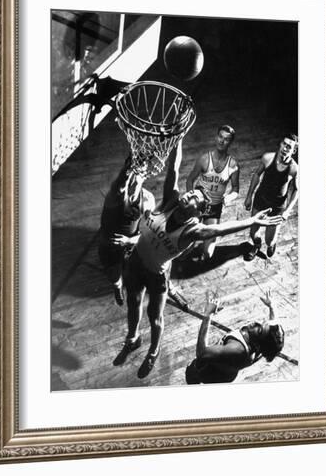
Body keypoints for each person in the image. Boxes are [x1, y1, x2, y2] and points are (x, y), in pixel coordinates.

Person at [113, 139, 283, 379]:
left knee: (155, 316)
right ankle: (133, 339)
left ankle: (153, 350)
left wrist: (253, 221)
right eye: (191, 191)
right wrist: (179, 139)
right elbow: (173, 168)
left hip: (156, 274)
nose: (189, 194)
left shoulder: (193, 231)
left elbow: (221, 230)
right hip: (136, 262)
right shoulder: (171, 200)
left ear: (199, 211)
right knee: (133, 303)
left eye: (194, 197)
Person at [185, 290, 284, 384]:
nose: (259, 323)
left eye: (260, 329)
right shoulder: (267, 346)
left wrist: (208, 314)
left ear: (260, 340)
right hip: (228, 372)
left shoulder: (237, 349)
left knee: (192, 374)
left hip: (210, 371)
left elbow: (201, 353)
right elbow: (273, 326)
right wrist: (272, 306)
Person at [98, 156, 155, 306]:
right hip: (108, 246)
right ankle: (117, 288)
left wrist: (129, 241)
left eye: (140, 173)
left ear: (145, 175)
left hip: (131, 245)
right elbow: (119, 184)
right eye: (132, 172)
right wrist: (127, 169)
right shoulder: (114, 196)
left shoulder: (148, 199)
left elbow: (151, 233)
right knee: (115, 278)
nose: (135, 177)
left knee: (137, 271)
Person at [186, 124, 239, 260]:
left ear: (230, 142)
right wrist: (192, 199)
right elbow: (190, 179)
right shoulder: (204, 159)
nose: (222, 141)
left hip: (215, 208)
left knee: (208, 254)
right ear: (216, 137)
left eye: (226, 139)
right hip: (198, 203)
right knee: (186, 245)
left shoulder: (233, 165)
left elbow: (235, 190)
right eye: (220, 136)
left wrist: (229, 198)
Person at [244, 134, 299, 260]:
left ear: (293, 150)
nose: (285, 148)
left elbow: (297, 190)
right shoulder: (268, 158)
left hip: (277, 206)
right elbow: (257, 175)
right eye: (284, 144)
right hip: (261, 200)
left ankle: (271, 244)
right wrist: (249, 196)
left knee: (270, 240)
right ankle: (256, 245)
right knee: (253, 232)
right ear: (280, 144)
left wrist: (287, 211)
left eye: (289, 146)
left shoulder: (294, 168)